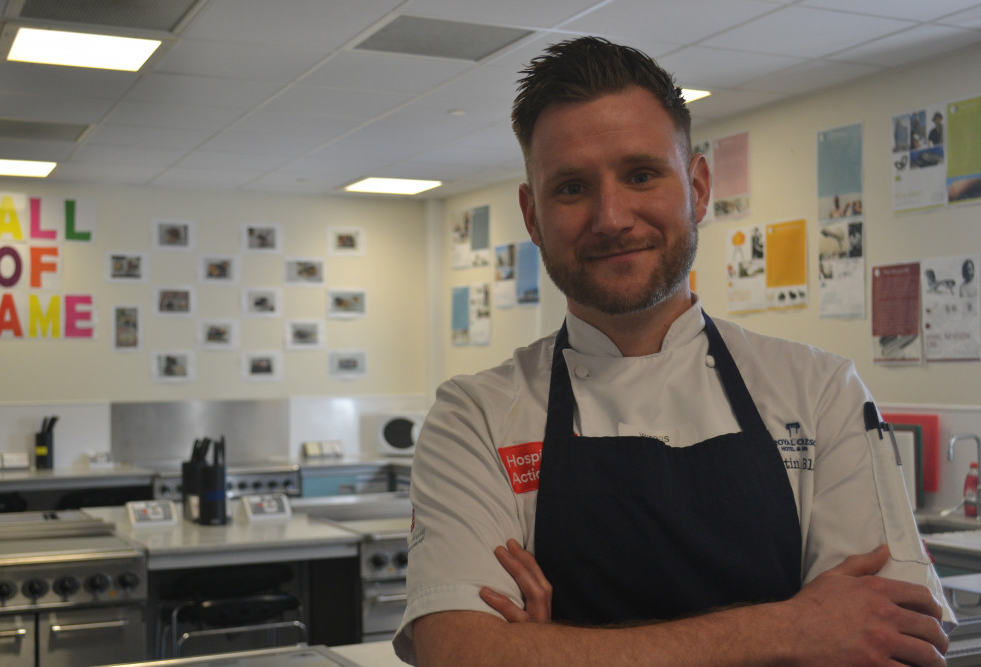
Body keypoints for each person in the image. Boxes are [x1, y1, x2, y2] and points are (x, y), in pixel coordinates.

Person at [395, 37, 953, 666]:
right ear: (532, 215)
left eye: (640, 175)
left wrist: (546, 649)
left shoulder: (820, 391)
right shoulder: (476, 416)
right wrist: (792, 629)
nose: (612, 217)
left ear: (698, 186)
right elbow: (463, 655)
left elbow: (890, 639)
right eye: (572, 188)